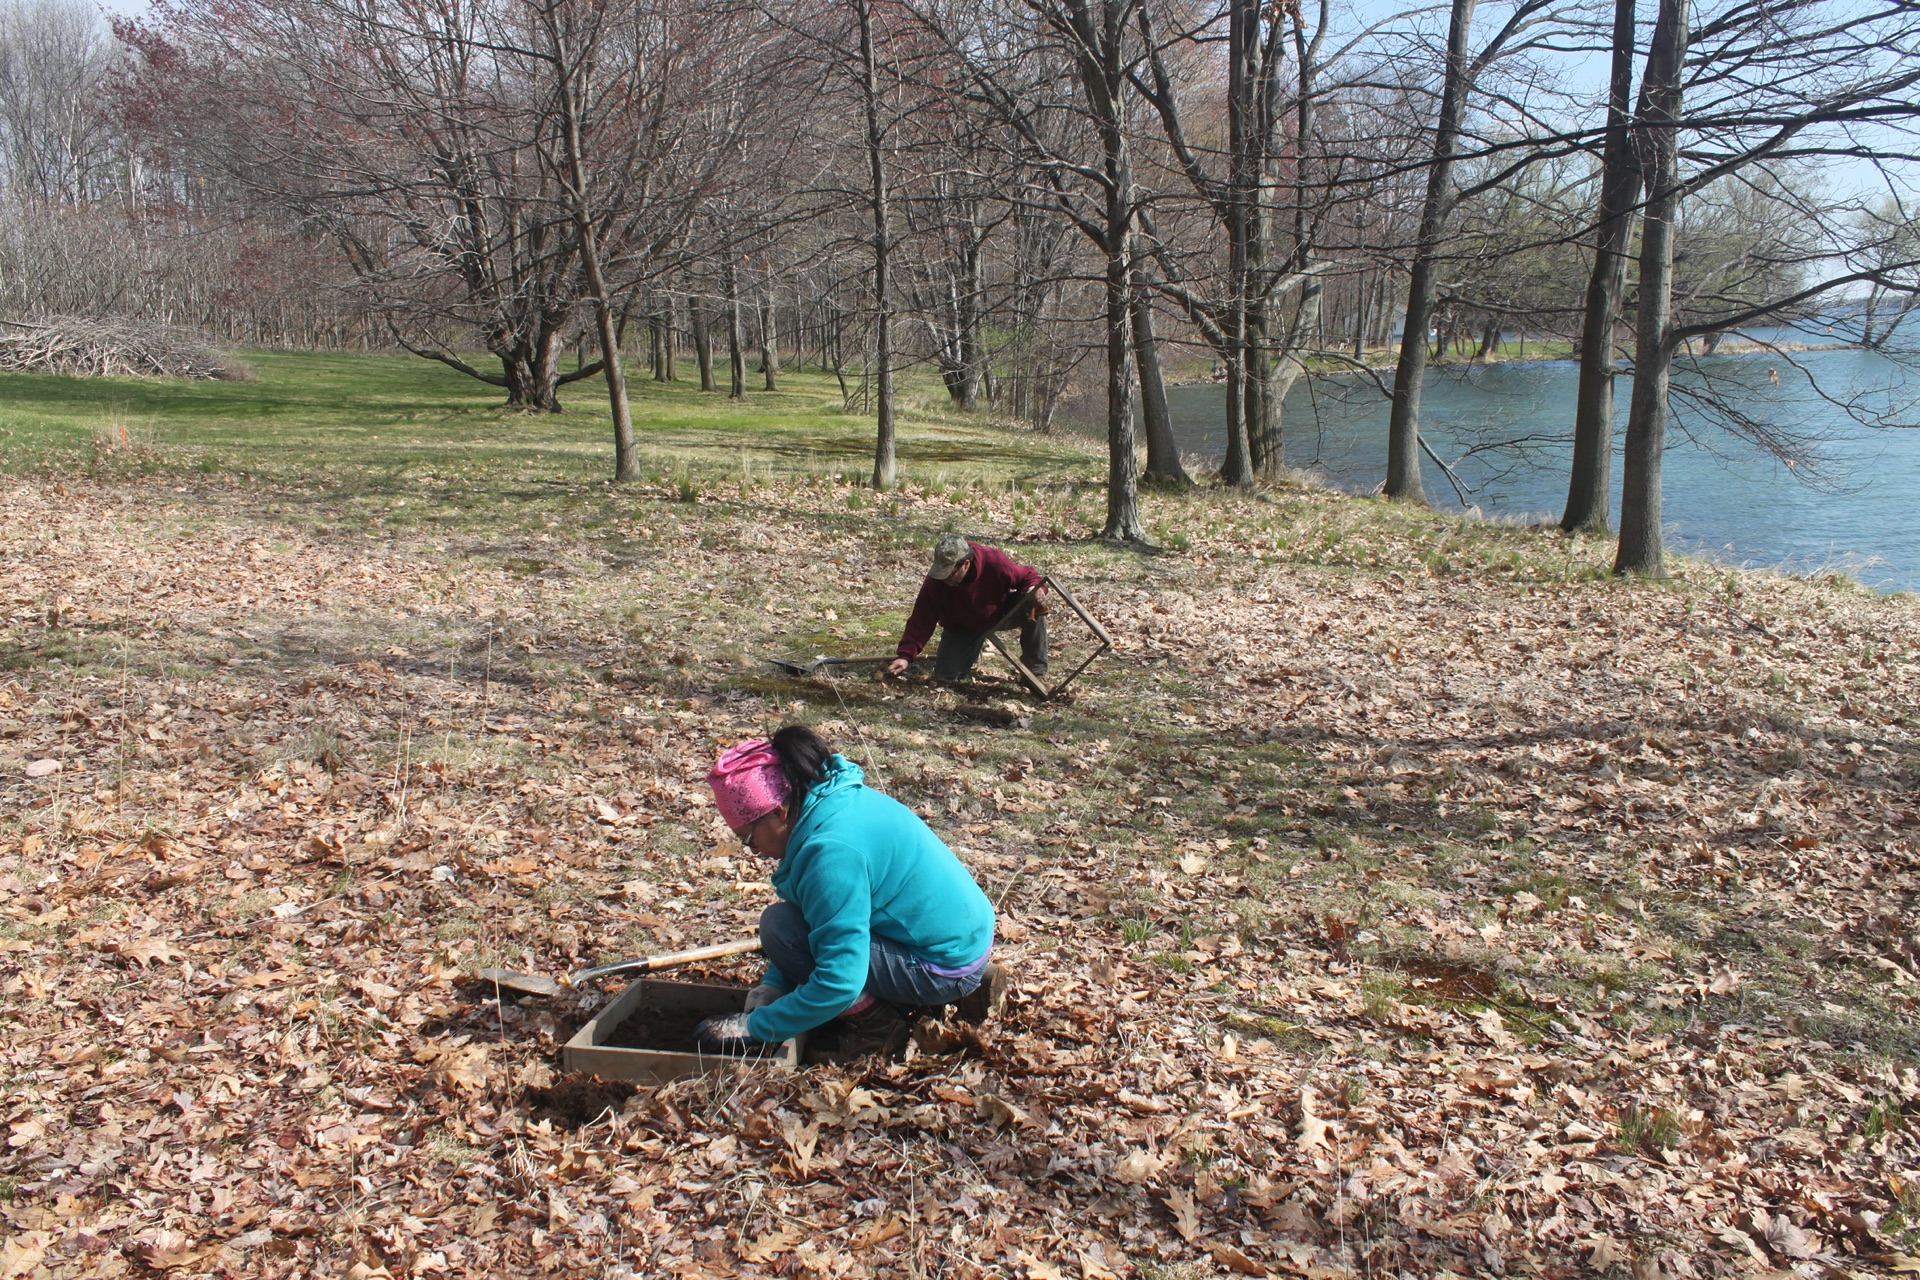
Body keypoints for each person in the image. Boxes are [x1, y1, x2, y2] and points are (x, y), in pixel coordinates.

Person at [692, 725, 1008, 1060]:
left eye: (747, 838)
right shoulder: (833, 798)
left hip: (942, 965)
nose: (751, 850)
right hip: (963, 940)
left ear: (779, 813)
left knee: (780, 928)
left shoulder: (831, 853)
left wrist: (758, 1027)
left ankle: (879, 1028)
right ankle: (964, 989)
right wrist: (776, 984)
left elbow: (840, 980)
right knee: (790, 926)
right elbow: (821, 918)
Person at [887, 533, 1048, 685]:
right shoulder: (936, 581)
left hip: (1000, 613)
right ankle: (970, 651)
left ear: (965, 564)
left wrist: (1036, 589)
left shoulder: (994, 561)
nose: (944, 579)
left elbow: (1029, 575)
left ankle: (1035, 672)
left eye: (949, 574)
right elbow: (922, 618)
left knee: (1031, 603)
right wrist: (905, 656)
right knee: (946, 677)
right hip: (962, 627)